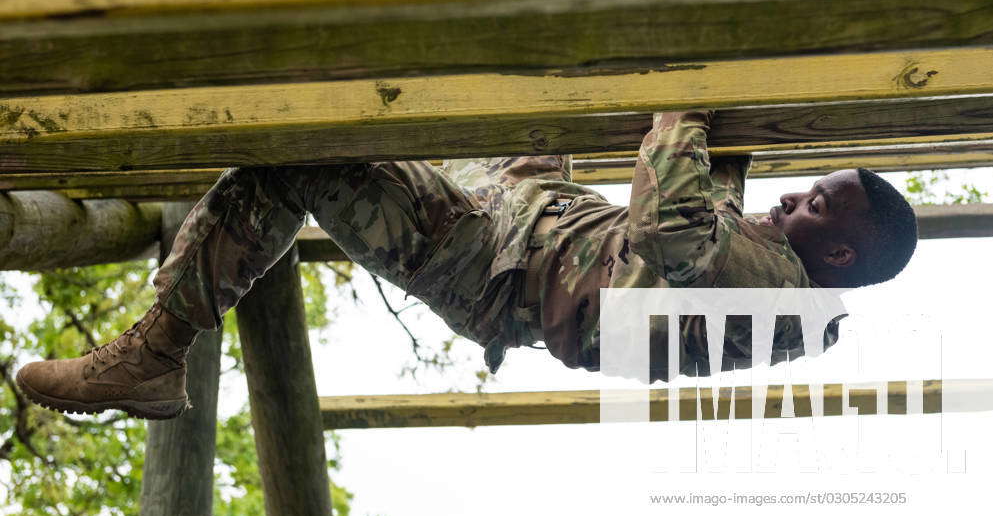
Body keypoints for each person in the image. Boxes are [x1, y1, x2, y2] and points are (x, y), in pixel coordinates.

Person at [15, 110, 918, 419]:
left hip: (489, 262)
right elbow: (712, 199)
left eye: (814, 205)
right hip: (519, 219)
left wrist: (681, 99)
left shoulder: (779, 297)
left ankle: (153, 353)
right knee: (516, 99)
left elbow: (675, 226)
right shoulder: (772, 267)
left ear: (836, 252)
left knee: (303, 157)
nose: (790, 201)